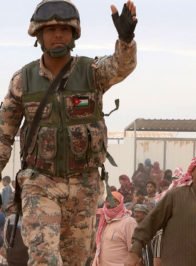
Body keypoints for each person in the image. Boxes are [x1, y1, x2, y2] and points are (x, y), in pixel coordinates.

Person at [0, 0, 137, 264]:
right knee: (45, 258)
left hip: (83, 185)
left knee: (75, 260)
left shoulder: (91, 72)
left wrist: (126, 39)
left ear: (74, 33)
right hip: (40, 182)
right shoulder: (23, 81)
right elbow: (4, 135)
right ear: (39, 35)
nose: (58, 34)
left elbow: (121, 66)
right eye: (50, 30)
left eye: (64, 29)